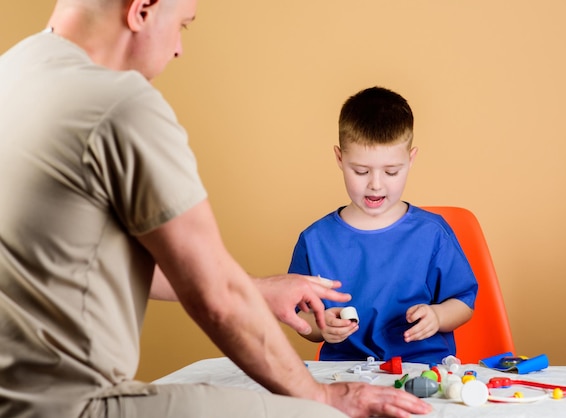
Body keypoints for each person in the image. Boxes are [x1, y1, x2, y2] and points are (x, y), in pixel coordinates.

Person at [0, 1, 432, 418]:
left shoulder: (14, 72)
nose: (178, 48)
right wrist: (319, 398)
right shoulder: (120, 105)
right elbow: (217, 299)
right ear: (142, 8)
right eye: (182, 25)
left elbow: (83, 263)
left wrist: (259, 290)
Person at [288, 86, 478, 364]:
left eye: (391, 171)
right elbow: (298, 311)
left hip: (420, 369)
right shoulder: (315, 240)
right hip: (345, 374)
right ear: (340, 158)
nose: (375, 184)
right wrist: (321, 326)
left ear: (410, 160)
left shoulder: (433, 234)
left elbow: (463, 301)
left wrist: (437, 317)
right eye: (361, 171)